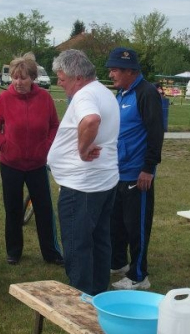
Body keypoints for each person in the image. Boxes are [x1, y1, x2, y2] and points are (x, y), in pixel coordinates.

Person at [47, 49, 120, 296]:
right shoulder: (104, 92)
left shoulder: (84, 95)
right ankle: (99, 294)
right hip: (103, 181)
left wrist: (82, 149)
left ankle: (81, 298)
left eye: (62, 78)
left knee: (77, 245)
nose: (59, 82)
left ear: (77, 77)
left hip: (82, 186)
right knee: (100, 240)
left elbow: (90, 120)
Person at [0, 56, 63, 266]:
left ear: (33, 78)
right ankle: (14, 251)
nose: (18, 82)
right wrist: (5, 146)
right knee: (12, 209)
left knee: (44, 209)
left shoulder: (45, 99)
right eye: (14, 78)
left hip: (38, 164)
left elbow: (54, 125)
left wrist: (46, 146)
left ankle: (51, 252)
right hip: (11, 164)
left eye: (23, 78)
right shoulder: (4, 99)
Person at [105, 47, 164, 290]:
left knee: (136, 227)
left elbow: (155, 133)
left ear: (130, 70)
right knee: (116, 223)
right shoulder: (121, 94)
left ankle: (140, 276)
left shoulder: (146, 93)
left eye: (115, 69)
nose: (111, 74)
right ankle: (119, 263)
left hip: (137, 174)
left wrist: (148, 168)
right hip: (117, 172)